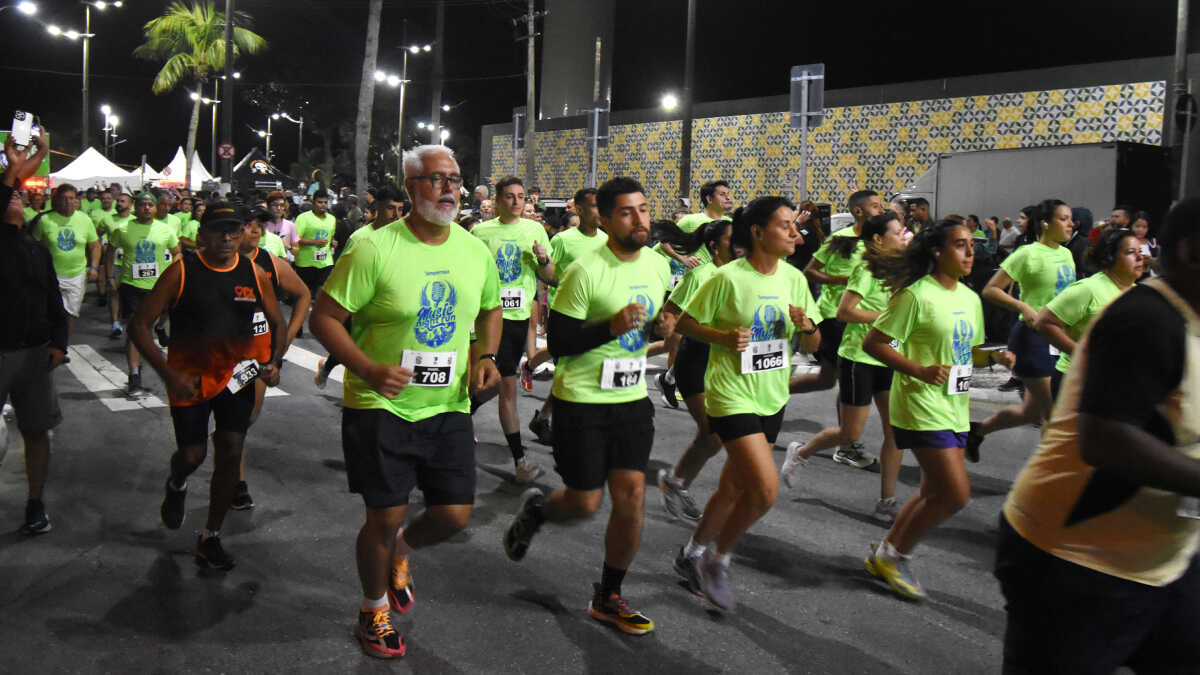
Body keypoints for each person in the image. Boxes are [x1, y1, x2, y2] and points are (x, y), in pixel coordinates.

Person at [311, 144, 502, 659]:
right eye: (437, 179)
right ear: (412, 187)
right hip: (381, 405)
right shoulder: (373, 248)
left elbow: (491, 309)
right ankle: (372, 609)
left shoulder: (474, 251)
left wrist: (486, 355)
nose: (449, 188)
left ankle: (400, 552)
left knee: (454, 515)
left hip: (448, 404)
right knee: (384, 515)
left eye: (455, 179)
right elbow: (324, 318)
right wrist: (369, 368)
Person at [995, 198, 1200, 675]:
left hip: (1163, 558)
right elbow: (1106, 439)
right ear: (1192, 251)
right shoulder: (1146, 319)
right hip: (1076, 559)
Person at [503, 176, 670, 635]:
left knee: (631, 499)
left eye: (643, 209)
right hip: (582, 402)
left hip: (632, 399)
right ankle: (538, 512)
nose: (639, 220)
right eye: (627, 212)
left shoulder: (658, 265)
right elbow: (560, 342)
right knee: (584, 502)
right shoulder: (585, 270)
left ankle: (608, 596)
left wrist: (663, 325)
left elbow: (652, 318)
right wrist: (610, 328)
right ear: (606, 218)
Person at [671, 196, 821, 613]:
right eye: (785, 225)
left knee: (733, 487)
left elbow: (813, 343)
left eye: (794, 226)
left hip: (772, 395)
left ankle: (691, 553)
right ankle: (718, 559)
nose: (795, 233)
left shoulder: (794, 279)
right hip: (730, 394)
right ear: (757, 232)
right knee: (765, 490)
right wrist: (721, 337)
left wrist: (806, 326)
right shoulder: (727, 278)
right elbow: (684, 322)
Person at [131, 201, 285, 571]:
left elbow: (278, 322)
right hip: (190, 379)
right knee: (192, 455)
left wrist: (274, 362)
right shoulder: (182, 271)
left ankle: (211, 536)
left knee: (231, 451)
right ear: (202, 234)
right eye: (219, 230)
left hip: (237, 378)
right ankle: (176, 483)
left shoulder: (254, 273)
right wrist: (168, 374)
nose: (227, 238)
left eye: (234, 230)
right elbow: (140, 325)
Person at [859, 219, 984, 601]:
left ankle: (885, 554)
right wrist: (918, 370)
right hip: (919, 404)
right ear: (937, 251)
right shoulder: (915, 296)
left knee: (933, 492)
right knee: (955, 494)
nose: (970, 252)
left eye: (972, 245)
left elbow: (968, 351)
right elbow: (874, 343)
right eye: (960, 245)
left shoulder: (971, 298)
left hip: (954, 405)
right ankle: (898, 557)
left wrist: (998, 358)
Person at [781, 212, 909, 522]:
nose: (903, 236)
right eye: (897, 232)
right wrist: (885, 318)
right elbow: (845, 312)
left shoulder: (900, 270)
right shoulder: (866, 270)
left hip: (886, 355)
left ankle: (886, 501)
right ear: (878, 239)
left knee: (896, 431)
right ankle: (801, 451)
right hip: (858, 358)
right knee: (850, 432)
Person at [968, 199, 1076, 462]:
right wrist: (1023, 306)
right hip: (1032, 337)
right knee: (1054, 413)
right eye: (1064, 219)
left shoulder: (1067, 254)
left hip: (1059, 338)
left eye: (1071, 219)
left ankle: (977, 431)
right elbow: (991, 289)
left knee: (1033, 411)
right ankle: (1048, 476)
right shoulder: (1027, 253)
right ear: (1045, 223)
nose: (1071, 224)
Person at [1, 130, 67, 536]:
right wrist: (24, 160)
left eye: (19, 196)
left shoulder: (36, 249)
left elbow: (53, 299)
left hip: (35, 353)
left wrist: (60, 343)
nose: (15, 197)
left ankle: (35, 502)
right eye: (10, 195)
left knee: (37, 431)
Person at [470, 175, 555, 483]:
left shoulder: (535, 230)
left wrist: (542, 259)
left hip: (518, 319)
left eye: (521, 196)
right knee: (502, 385)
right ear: (497, 200)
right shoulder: (480, 233)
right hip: (488, 318)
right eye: (510, 196)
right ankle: (520, 462)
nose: (517, 201)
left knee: (501, 385)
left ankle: (462, 413)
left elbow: (551, 276)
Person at [793, 189, 885, 470]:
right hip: (836, 317)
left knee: (826, 379)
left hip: (862, 321)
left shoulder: (878, 241)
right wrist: (842, 281)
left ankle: (771, 393)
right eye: (876, 206)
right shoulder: (841, 240)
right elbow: (810, 271)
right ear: (859, 211)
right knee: (847, 379)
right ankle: (846, 446)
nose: (881, 210)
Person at [654, 218, 737, 521]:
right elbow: (671, 312)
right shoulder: (701, 274)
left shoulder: (739, 273)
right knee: (713, 434)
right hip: (695, 361)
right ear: (714, 246)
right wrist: (671, 333)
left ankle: (675, 483)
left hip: (723, 365)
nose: (738, 244)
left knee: (713, 435)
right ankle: (677, 484)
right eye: (731, 239)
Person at [235, 212, 312, 510]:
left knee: (246, 420)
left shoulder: (269, 263)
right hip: (219, 356)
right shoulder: (210, 263)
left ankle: (232, 472)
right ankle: (235, 482)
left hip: (258, 358)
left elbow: (303, 295)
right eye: (248, 225)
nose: (255, 230)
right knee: (224, 429)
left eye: (259, 225)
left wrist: (285, 342)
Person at [526, 187, 608, 445]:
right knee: (571, 370)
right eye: (595, 206)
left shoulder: (606, 240)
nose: (601, 211)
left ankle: (545, 418)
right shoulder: (563, 239)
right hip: (566, 314)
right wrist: (556, 285)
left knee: (574, 371)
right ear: (580, 210)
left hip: (595, 315)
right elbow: (547, 273)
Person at [1034, 227, 1141, 402]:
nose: (1140, 258)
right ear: (1111, 257)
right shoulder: (1088, 289)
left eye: (1140, 252)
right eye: (1130, 252)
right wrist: (1082, 354)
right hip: (1079, 381)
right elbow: (1044, 323)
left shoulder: (1137, 292)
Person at [314, 185, 405, 389]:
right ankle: (329, 367)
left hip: (387, 303)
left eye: (400, 209)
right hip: (358, 303)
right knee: (352, 345)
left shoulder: (402, 237)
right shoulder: (360, 237)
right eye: (391, 208)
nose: (396, 215)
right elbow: (343, 273)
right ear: (377, 207)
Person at [109, 193, 182, 396]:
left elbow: (177, 251)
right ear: (136, 207)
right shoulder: (122, 228)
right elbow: (110, 250)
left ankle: (153, 337)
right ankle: (134, 376)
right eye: (143, 205)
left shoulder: (165, 230)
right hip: (131, 285)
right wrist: (109, 276)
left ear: (155, 208)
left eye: (151, 205)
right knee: (136, 330)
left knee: (147, 329)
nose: (147, 208)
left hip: (158, 288)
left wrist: (174, 273)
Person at [32, 183, 101, 337]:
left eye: (71, 198)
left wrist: (94, 267)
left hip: (76, 275)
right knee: (52, 312)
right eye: (64, 198)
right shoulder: (45, 220)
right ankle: (50, 340)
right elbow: (34, 246)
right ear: (57, 200)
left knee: (71, 312)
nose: (68, 202)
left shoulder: (84, 219)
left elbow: (95, 246)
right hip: (51, 275)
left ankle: (63, 342)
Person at [660, 180, 732, 267]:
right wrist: (683, 259)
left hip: (722, 273)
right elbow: (664, 242)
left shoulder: (730, 223)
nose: (728, 198)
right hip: (699, 274)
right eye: (722, 194)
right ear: (709, 199)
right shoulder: (690, 220)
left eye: (728, 194)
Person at [293, 193, 338, 301]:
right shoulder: (303, 218)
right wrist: (315, 242)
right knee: (305, 293)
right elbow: (296, 239)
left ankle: (317, 308)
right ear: (313, 203)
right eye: (320, 202)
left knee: (322, 290)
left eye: (325, 202)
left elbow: (330, 236)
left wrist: (332, 242)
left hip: (326, 261)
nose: (323, 205)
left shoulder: (332, 219)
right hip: (306, 262)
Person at [1131, 210, 1159, 277]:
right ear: (1131, 226)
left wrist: (1151, 261)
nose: (1140, 230)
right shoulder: (1126, 242)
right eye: (1137, 226)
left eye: (1144, 227)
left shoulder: (1152, 243)